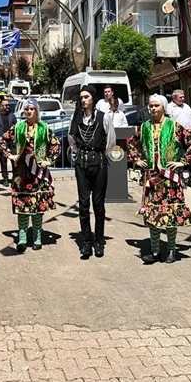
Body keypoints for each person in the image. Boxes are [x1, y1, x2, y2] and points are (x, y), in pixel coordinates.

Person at [127, 95, 191, 264]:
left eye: (156, 105)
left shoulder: (174, 126)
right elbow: (130, 144)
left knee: (171, 214)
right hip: (151, 177)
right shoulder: (144, 127)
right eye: (150, 105)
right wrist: (137, 159)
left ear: (163, 107)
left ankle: (172, 250)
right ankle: (155, 250)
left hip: (169, 178)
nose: (152, 108)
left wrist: (182, 162)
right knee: (153, 214)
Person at [0, 98, 62, 252]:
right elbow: (1, 141)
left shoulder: (44, 128)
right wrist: (10, 155)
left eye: (32, 109)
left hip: (38, 173)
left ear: (36, 111)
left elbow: (56, 144)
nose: (29, 111)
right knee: (22, 205)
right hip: (22, 173)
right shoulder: (18, 127)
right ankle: (22, 236)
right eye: (26, 109)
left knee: (37, 205)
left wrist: (49, 161)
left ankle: (38, 236)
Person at [68, 86, 116, 259]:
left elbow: (111, 141)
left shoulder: (104, 118)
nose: (83, 100)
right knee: (83, 203)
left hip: (99, 163)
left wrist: (97, 154)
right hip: (82, 163)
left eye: (86, 97)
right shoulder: (76, 118)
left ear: (93, 99)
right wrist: (82, 153)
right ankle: (87, 241)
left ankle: (99, 241)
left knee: (98, 204)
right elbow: (72, 140)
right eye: (81, 97)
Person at [0, 99, 17, 186]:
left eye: (8, 105)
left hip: (12, 142)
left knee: (14, 160)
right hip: (2, 142)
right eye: (5, 105)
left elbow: (16, 128)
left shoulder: (12, 116)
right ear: (1, 106)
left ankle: (15, 178)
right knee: (3, 161)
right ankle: (5, 178)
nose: (7, 107)